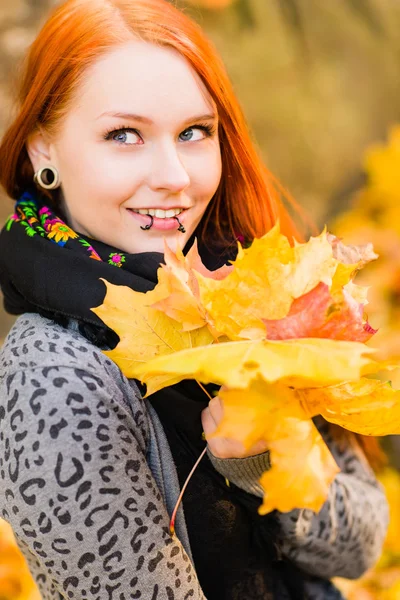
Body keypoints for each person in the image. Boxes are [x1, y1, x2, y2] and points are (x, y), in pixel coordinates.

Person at [0, 1, 389, 598]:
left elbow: (361, 544)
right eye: (123, 135)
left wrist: (262, 463)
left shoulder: (254, 284)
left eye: (193, 132)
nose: (175, 175)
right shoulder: (51, 374)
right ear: (41, 149)